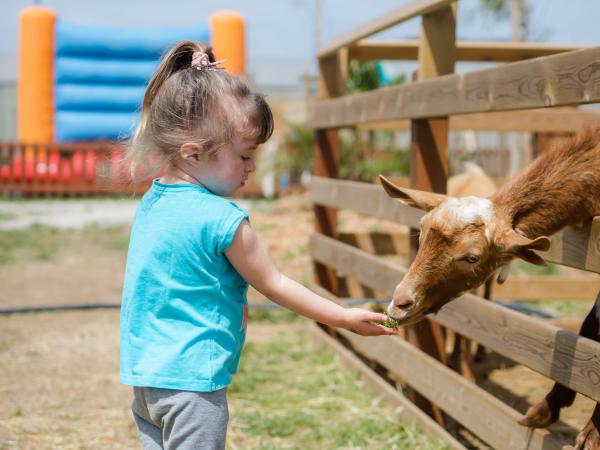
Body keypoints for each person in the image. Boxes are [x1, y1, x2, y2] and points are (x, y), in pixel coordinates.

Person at [120, 40, 396, 450]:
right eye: (245, 156)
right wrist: (341, 318)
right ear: (193, 153)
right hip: (194, 387)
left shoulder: (153, 201)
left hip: (147, 382)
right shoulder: (223, 220)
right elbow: (276, 284)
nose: (252, 167)